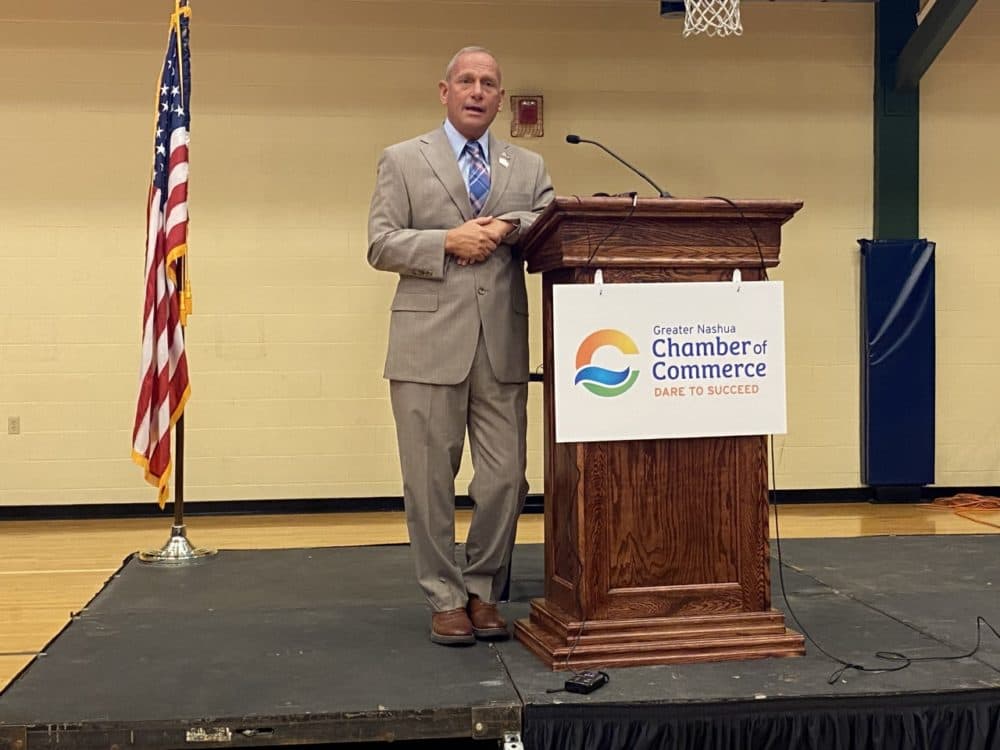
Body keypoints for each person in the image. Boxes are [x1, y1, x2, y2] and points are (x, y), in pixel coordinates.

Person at [367, 46, 554, 645]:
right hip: (426, 344)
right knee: (428, 479)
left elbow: (552, 219)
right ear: (443, 91)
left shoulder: (527, 166)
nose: (478, 90)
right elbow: (381, 244)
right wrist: (446, 241)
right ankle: (444, 597)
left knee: (506, 479)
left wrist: (505, 226)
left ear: (502, 99)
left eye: (490, 83)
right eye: (466, 80)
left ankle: (482, 589)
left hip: (500, 344)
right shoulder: (402, 159)